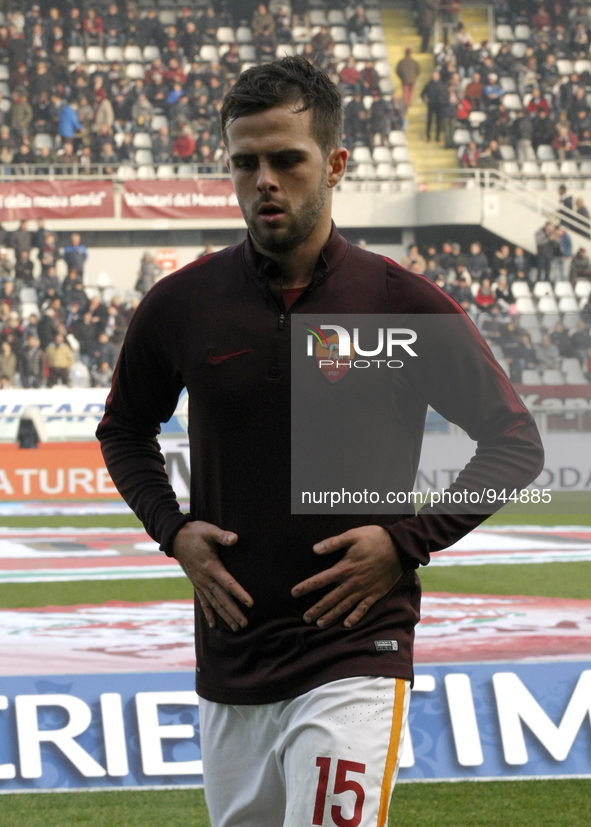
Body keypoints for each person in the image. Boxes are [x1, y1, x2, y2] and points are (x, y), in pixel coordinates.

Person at [97, 57, 543, 827]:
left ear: (334, 164)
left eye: (286, 159)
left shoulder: (400, 304)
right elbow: (124, 430)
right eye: (245, 162)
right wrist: (173, 533)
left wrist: (407, 541)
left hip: (354, 651)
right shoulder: (181, 304)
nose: (263, 179)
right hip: (232, 655)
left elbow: (513, 442)